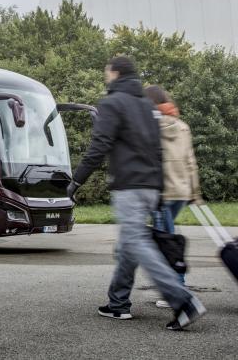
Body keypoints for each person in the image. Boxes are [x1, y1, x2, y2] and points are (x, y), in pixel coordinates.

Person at [66, 56, 206, 331]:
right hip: (151, 185)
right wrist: (161, 190)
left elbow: (99, 146)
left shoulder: (111, 103)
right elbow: (157, 150)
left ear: (115, 73)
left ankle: (183, 301)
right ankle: (117, 304)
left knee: (137, 243)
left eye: (107, 72)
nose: (106, 76)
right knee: (130, 244)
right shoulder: (146, 105)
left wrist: (76, 182)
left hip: (129, 186)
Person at [145, 84, 202, 303]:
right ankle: (175, 287)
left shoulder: (151, 126)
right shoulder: (182, 126)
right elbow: (191, 161)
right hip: (181, 191)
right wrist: (195, 192)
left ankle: (177, 290)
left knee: (166, 243)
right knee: (167, 237)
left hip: (162, 193)